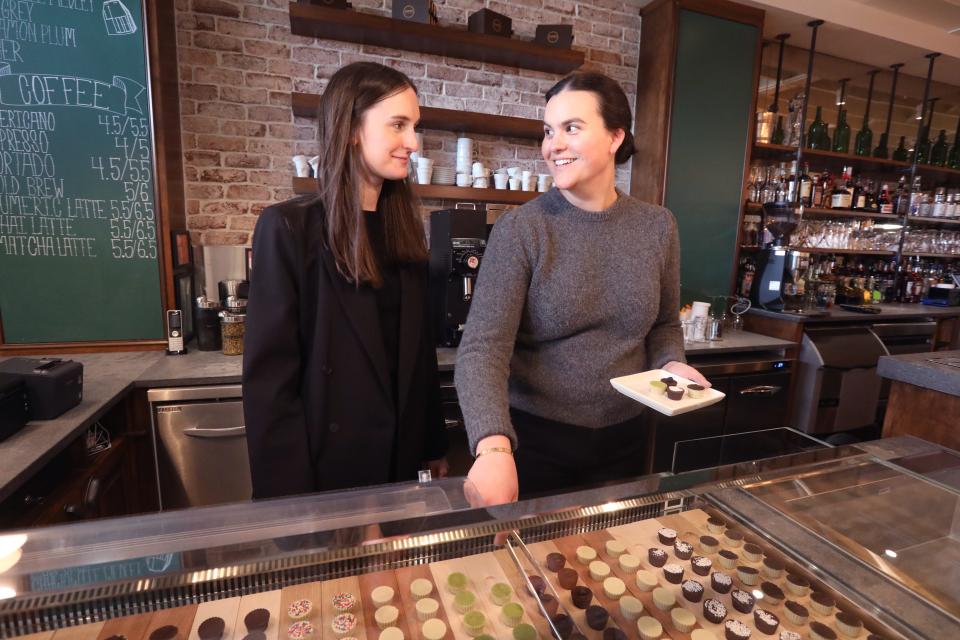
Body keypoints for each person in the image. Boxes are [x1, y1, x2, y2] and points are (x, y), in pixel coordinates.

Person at [455, 72, 709, 505]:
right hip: (535, 442)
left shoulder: (657, 226)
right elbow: (483, 349)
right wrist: (493, 445)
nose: (552, 145)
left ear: (615, 137)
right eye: (548, 131)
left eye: (571, 128)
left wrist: (672, 363)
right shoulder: (522, 229)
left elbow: (665, 324)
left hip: (627, 438)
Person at [243, 62, 448, 500]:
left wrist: (432, 444)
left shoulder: (405, 231)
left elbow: (419, 358)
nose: (413, 142)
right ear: (352, 128)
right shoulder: (288, 228)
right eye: (398, 125)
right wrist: (293, 500)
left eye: (414, 126)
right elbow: (270, 384)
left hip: (401, 465)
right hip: (326, 476)